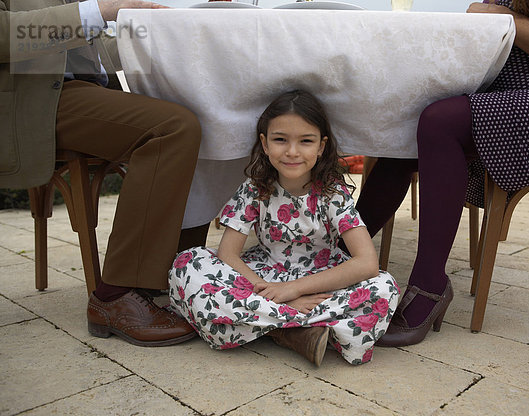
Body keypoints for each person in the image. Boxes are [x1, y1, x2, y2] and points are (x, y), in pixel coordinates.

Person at [355, 0, 529, 347]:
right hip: (513, 96)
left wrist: (506, 17)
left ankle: (430, 284)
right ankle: (339, 256)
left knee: (439, 122)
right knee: (407, 129)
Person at [1, 0, 205, 346]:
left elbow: (91, 54)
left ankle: (177, 273)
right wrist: (101, 10)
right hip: (32, 102)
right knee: (172, 128)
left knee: (199, 113)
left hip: (83, 92)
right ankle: (115, 296)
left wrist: (165, 33)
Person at [168, 90, 400, 366]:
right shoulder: (254, 189)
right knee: (186, 265)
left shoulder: (332, 193)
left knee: (384, 288)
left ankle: (266, 325)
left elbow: (367, 263)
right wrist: (270, 291)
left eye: (305, 141)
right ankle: (299, 328)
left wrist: (294, 289)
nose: (292, 152)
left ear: (321, 147)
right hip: (263, 279)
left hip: (319, 280)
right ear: (265, 144)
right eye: (280, 140)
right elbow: (228, 254)